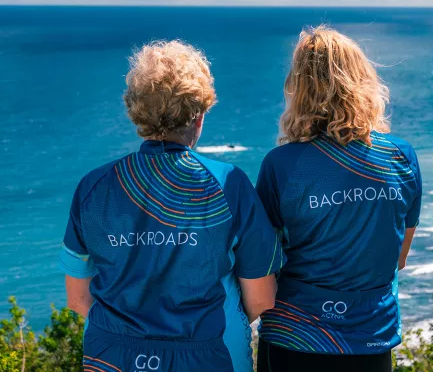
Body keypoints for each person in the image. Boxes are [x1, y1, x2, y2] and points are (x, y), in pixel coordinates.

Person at [58, 40, 285, 372]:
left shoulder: (93, 186)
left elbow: (78, 299)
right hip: (208, 356)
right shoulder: (228, 184)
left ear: (136, 110)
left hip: (109, 357)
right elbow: (262, 297)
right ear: (199, 115)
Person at [255, 26, 422, 372]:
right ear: (362, 80)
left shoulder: (281, 166)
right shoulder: (401, 158)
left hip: (294, 336)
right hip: (369, 336)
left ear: (299, 89)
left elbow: (263, 265)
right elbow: (398, 257)